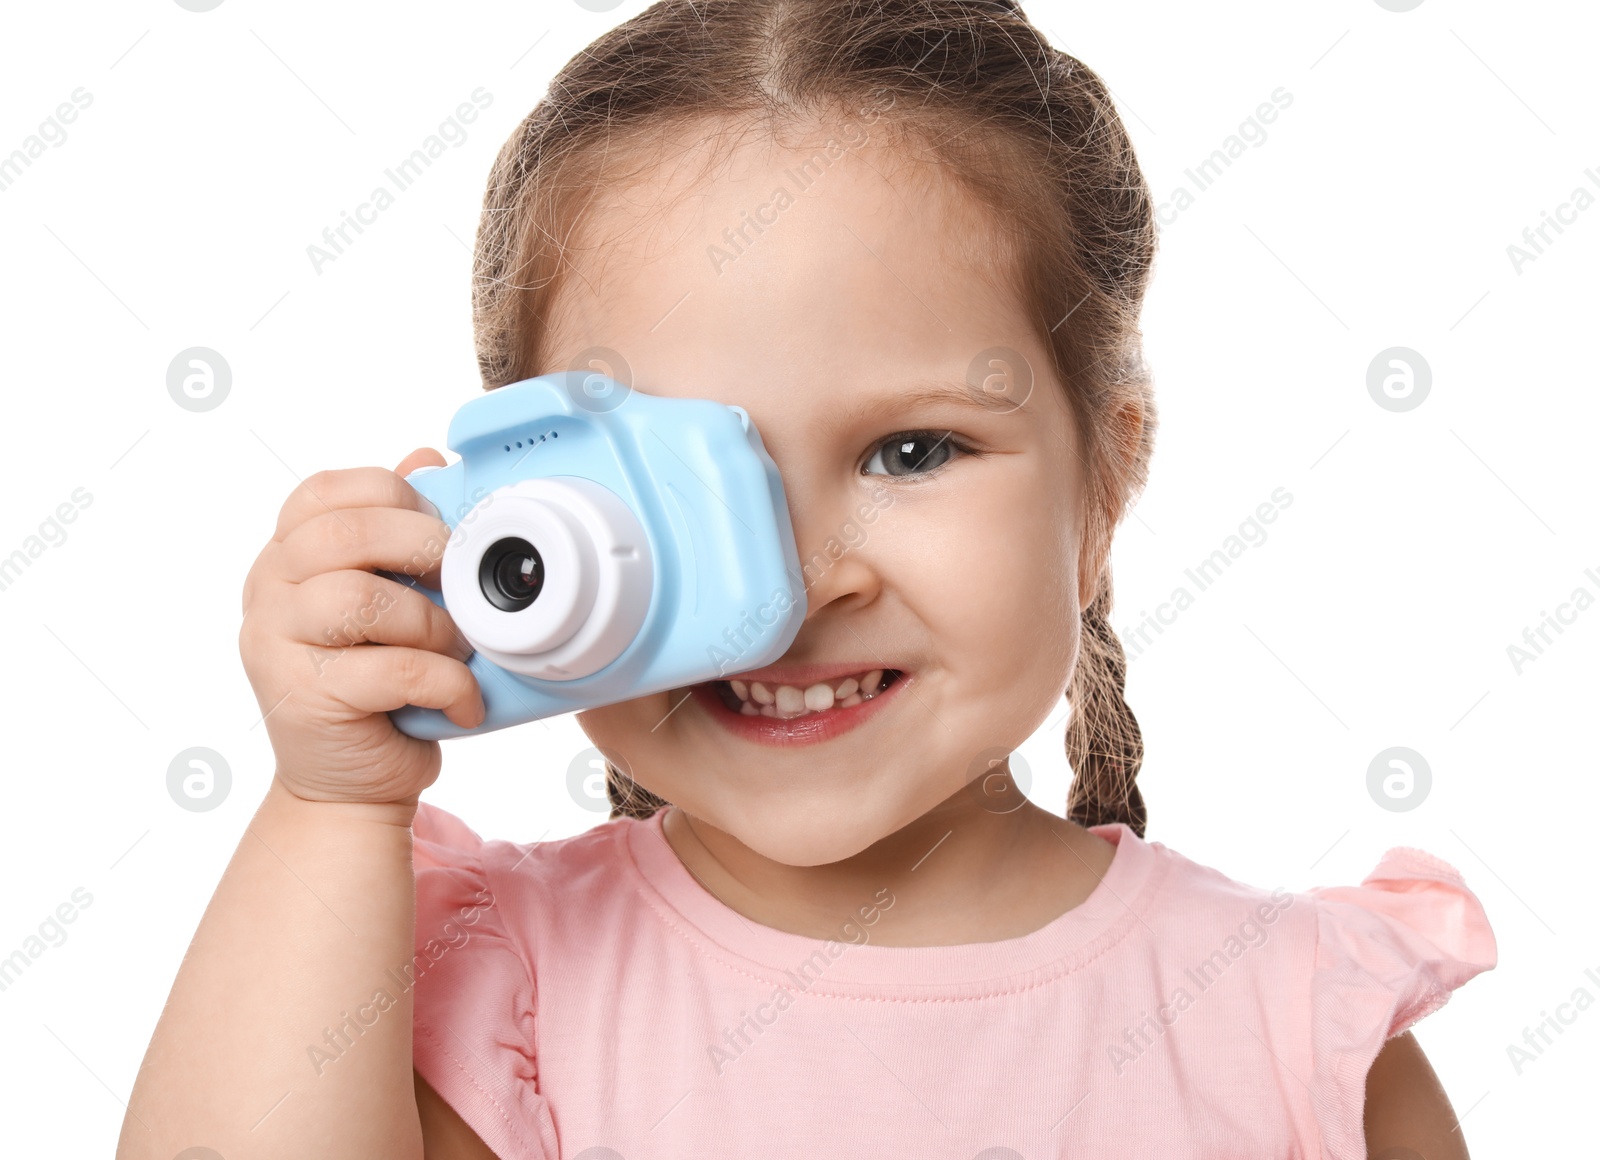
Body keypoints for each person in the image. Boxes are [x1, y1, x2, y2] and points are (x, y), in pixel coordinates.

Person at [120, 2, 1496, 1157]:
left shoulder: (1296, 1030)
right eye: (679, 485)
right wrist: (330, 803)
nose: (793, 584)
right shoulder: (490, 990)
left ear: (1103, 485)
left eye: (910, 450)